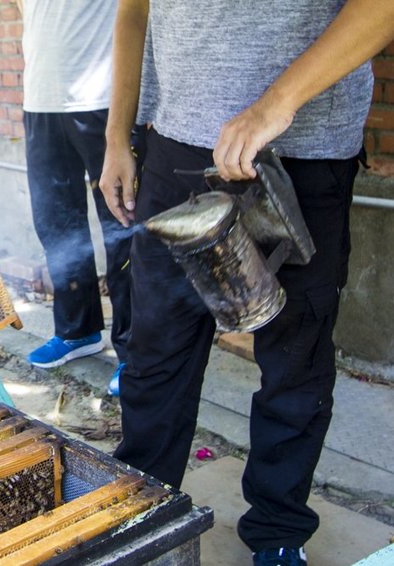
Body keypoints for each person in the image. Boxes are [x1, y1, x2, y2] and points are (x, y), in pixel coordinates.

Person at [99, 1, 394, 564]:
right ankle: (143, 514)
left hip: (302, 150)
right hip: (174, 148)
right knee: (155, 351)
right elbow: (134, 9)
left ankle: (279, 531)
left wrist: (275, 104)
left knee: (295, 360)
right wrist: (119, 136)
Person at [16, 0, 133, 394]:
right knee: (55, 224)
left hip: (102, 101)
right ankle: (78, 330)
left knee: (123, 229)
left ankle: (135, 353)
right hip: (40, 101)